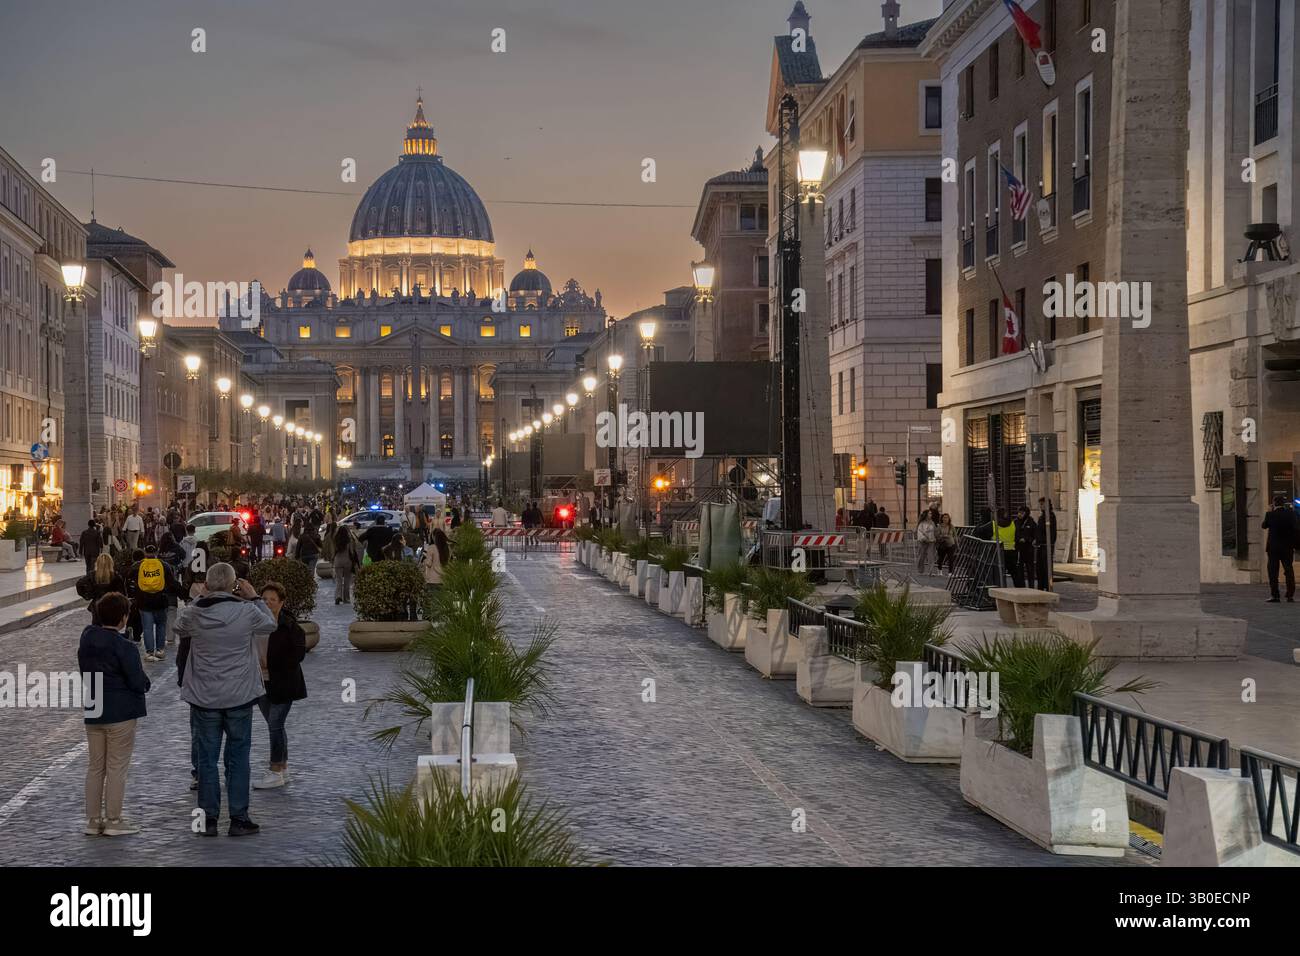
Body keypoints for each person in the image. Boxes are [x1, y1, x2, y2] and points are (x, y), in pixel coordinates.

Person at [175, 563, 278, 837]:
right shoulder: (246, 611)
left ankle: (208, 819)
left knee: (207, 760)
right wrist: (255, 596)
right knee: (238, 757)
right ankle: (238, 817)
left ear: (208, 585)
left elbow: (178, 625)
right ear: (234, 585)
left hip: (205, 696)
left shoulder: (196, 612)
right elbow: (270, 624)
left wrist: (200, 595)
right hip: (240, 695)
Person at [79, 592, 150, 836]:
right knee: (117, 767)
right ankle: (113, 820)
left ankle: (92, 820)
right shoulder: (124, 646)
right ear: (123, 618)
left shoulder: (87, 638)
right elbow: (136, 680)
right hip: (120, 710)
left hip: (94, 707)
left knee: (95, 766)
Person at [252, 582, 307, 790]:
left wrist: (273, 663)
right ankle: (283, 767)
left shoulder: (290, 626)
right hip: (261, 684)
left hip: (284, 684)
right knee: (275, 726)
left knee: (275, 724)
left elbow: (297, 655)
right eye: (264, 599)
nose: (268, 603)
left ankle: (275, 770)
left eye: (272, 600)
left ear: (281, 603)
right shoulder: (255, 623)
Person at [127, 545, 182, 662]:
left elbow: (128, 580)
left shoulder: (137, 566)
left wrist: (132, 595)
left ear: (145, 553)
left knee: (147, 627)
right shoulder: (164, 565)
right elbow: (172, 583)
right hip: (161, 600)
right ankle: (160, 650)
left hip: (143, 601)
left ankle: (149, 652)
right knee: (161, 625)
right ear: (156, 552)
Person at [1262, 494, 1298, 603]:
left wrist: (1269, 511)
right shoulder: (1291, 514)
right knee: (1289, 570)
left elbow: (1264, 526)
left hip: (1273, 548)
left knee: (1273, 572)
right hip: (1287, 547)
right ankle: (1290, 595)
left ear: (1274, 504)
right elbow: (1296, 527)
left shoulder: (1270, 514)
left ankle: (1275, 595)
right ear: (1284, 504)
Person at [77, 553, 126, 625]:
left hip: (97, 604)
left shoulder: (93, 575)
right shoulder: (115, 576)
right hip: (111, 605)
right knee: (110, 628)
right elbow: (122, 593)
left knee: (97, 627)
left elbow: (79, 584)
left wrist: (89, 595)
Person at [332, 524, 361, 604]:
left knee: (339, 580)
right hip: (347, 561)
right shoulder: (349, 540)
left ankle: (338, 596)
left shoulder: (336, 540)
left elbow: (333, 551)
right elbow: (352, 552)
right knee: (347, 580)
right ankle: (346, 598)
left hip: (338, 561)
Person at [993, 508, 1022, 587]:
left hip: (999, 552)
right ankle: (1020, 589)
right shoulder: (1013, 524)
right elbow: (1017, 537)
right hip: (1011, 551)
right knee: (1014, 573)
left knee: (999, 573)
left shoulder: (994, 524)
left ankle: (1001, 589)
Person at [1034, 498, 1057, 591]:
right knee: (1040, 568)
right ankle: (1041, 586)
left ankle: (1048, 587)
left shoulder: (1050, 516)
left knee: (1046, 567)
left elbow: (1049, 532)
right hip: (1041, 545)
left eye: (1042, 504)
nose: (1041, 506)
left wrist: (1043, 541)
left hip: (1046, 545)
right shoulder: (1043, 516)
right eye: (1040, 504)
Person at [1014, 506, 1038, 589]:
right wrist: (1018, 539)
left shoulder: (1031, 523)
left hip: (1028, 549)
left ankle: (1031, 587)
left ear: (1026, 513)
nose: (1020, 514)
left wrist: (1027, 539)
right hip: (1019, 549)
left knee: (1030, 569)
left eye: (1022, 513)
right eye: (1019, 512)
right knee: (1019, 569)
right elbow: (1013, 534)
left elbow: (1035, 535)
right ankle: (1022, 587)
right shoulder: (1015, 522)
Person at [422, 527, 449, 595]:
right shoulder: (447, 548)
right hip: (444, 579)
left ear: (434, 537)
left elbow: (428, 563)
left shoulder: (432, 548)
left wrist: (424, 560)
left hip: (432, 579)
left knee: (431, 602)